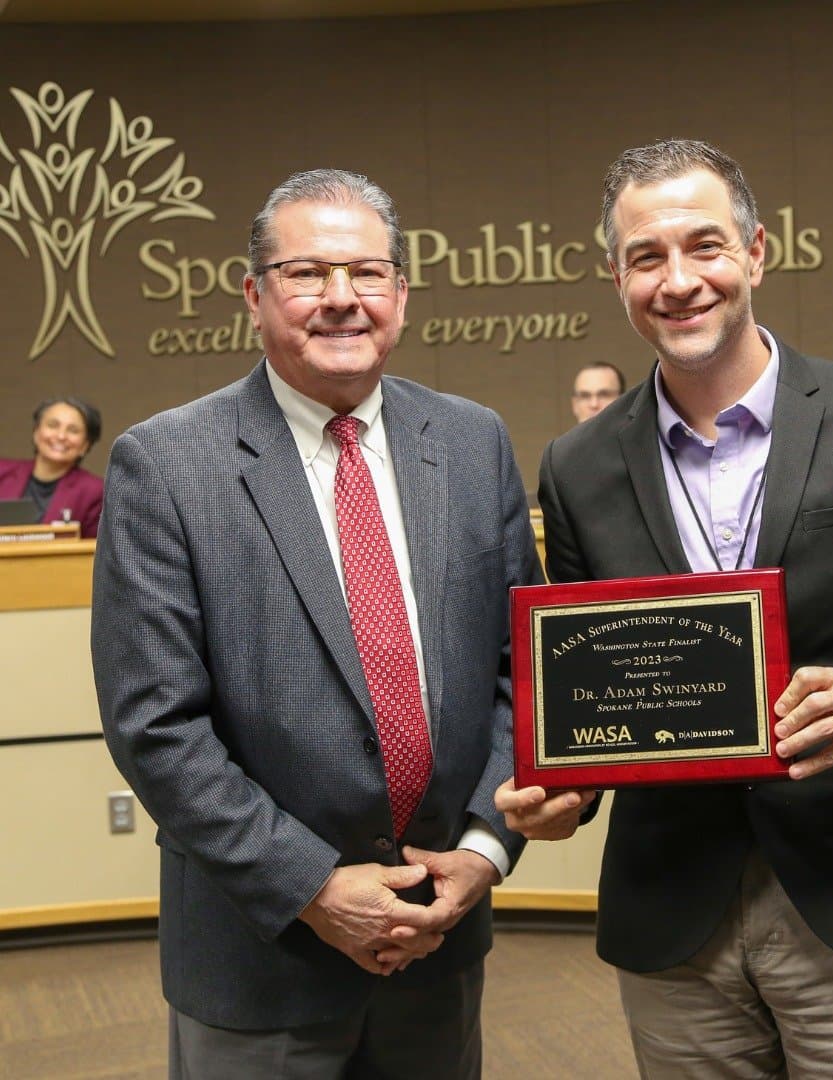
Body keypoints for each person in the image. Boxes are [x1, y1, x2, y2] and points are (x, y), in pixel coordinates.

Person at [496, 139, 833, 1078]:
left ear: (755, 251)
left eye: (704, 245)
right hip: (675, 919)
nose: (678, 280)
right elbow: (586, 684)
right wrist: (564, 793)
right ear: (615, 276)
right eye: (645, 257)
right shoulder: (576, 468)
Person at [91, 168, 541, 1079]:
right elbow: (156, 725)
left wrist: (486, 852)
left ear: (402, 295)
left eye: (368, 273)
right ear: (255, 295)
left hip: (438, 935)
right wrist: (314, 889)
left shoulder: (470, 440)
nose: (343, 299)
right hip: (262, 959)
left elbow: (519, 673)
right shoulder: (164, 464)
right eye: (307, 274)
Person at [0, 396, 104, 536]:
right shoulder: (3, 471)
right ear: (36, 432)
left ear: (85, 445)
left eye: (73, 430)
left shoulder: (94, 491)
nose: (61, 436)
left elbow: (95, 550)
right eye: (53, 425)